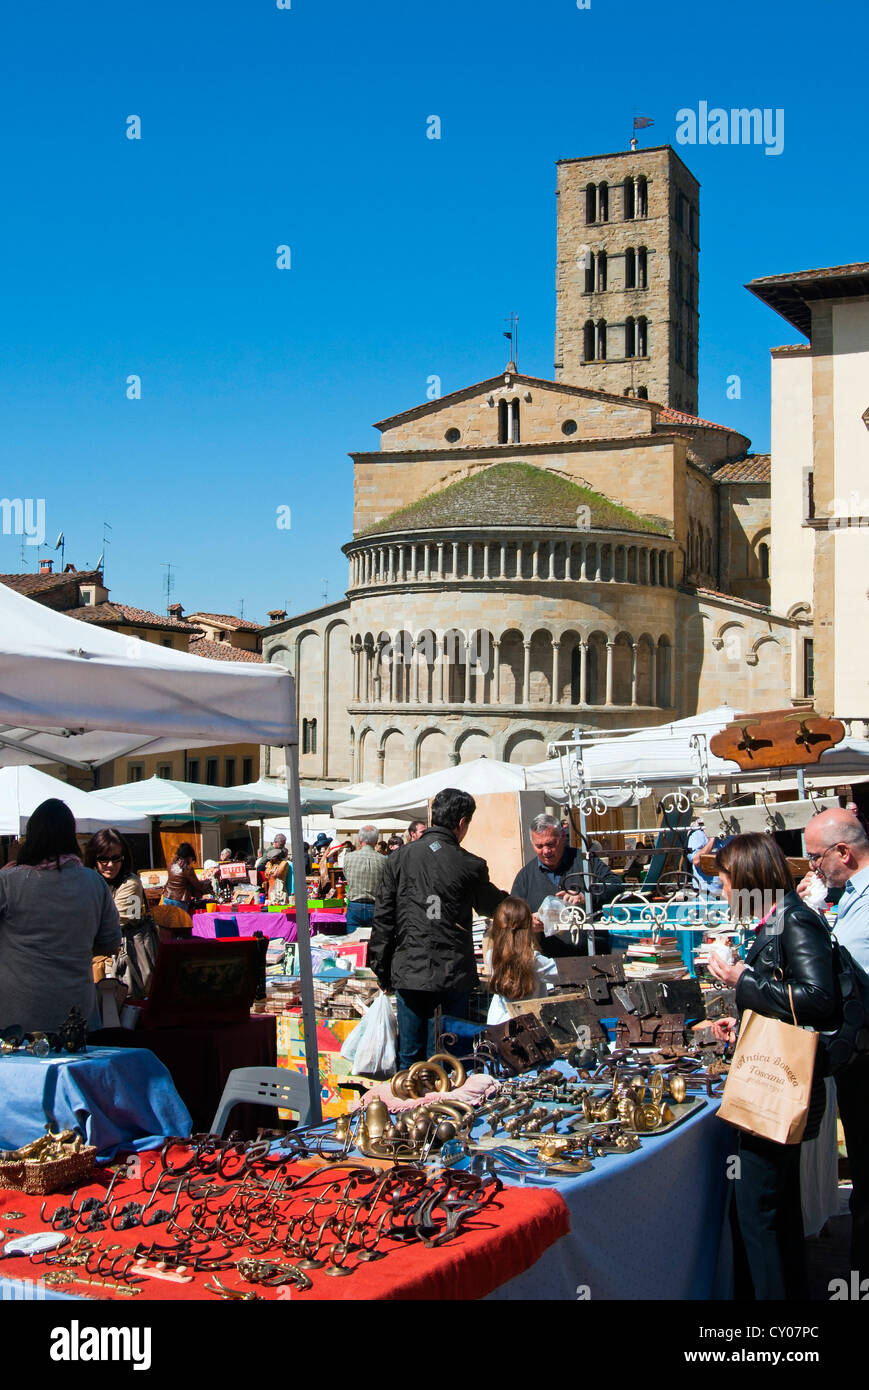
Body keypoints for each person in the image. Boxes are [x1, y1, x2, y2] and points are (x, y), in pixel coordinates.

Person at [707, 832, 839, 1301]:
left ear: (745, 879)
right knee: (774, 1213)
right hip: (780, 1080)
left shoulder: (793, 920)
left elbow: (820, 1000)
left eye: (724, 881)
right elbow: (789, 994)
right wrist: (745, 1018)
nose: (722, 891)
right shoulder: (779, 919)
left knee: (760, 1215)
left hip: (780, 1088)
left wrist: (742, 980)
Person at [369, 788, 507, 1068]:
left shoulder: (399, 858)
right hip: (451, 972)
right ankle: (446, 1106)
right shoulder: (470, 864)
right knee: (449, 1055)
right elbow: (492, 905)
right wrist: (520, 903)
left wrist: (381, 968)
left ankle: (410, 1106)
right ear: (462, 823)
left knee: (411, 1056)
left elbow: (383, 917)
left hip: (409, 970)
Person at [800, 807, 869, 1279]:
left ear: (842, 852)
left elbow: (831, 979)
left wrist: (803, 916)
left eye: (815, 858)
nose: (812, 868)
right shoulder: (851, 897)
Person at [0, 799, 121, 1032]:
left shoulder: (8, 882)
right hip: (76, 1016)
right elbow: (110, 944)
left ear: (31, 836)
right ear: (71, 837)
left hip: (17, 1020)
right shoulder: (94, 882)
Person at [511, 813, 621, 955]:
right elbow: (511, 914)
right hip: (548, 963)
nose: (546, 851)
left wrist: (586, 896)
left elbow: (616, 885)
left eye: (551, 844)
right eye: (539, 846)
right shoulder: (525, 876)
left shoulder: (585, 862)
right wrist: (526, 922)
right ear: (532, 844)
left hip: (592, 956)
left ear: (562, 837)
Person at [85, 828, 157, 999]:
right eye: (103, 858)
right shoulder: (91, 881)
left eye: (116, 858)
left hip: (123, 963)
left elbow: (114, 924)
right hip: (95, 964)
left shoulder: (131, 883)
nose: (110, 864)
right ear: (93, 859)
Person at [485, 895, 558, 1024]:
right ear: (528, 929)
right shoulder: (535, 961)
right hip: (528, 1029)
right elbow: (565, 972)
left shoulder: (491, 956)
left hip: (497, 1024)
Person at [343, 825, 386, 931]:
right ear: (376, 840)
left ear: (359, 839)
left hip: (354, 905)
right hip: (375, 906)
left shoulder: (348, 857)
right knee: (375, 944)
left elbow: (347, 877)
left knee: (353, 944)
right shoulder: (384, 860)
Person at [163, 842, 212, 912]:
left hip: (167, 896)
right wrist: (207, 882)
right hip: (179, 900)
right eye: (192, 859)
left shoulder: (171, 865)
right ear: (189, 856)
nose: (192, 861)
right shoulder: (187, 868)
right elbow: (197, 885)